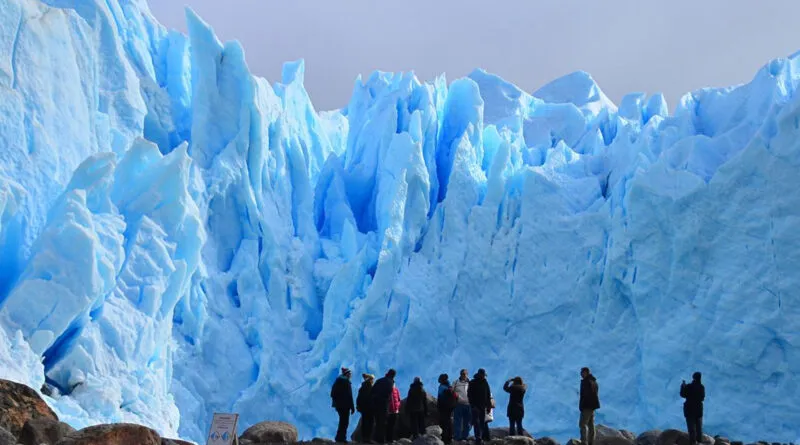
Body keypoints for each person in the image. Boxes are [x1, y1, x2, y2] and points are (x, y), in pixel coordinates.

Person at [371, 369, 396, 443]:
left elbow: (372, 391)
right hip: (384, 405)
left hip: (376, 404)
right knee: (383, 422)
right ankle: (381, 440)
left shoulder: (379, 380)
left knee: (378, 422)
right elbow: (388, 394)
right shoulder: (390, 382)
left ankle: (376, 438)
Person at [467, 368, 492, 445]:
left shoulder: (485, 382)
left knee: (481, 423)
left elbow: (488, 395)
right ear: (480, 375)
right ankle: (478, 438)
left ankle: (480, 438)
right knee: (476, 422)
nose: (484, 376)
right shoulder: (473, 382)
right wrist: (472, 405)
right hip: (475, 406)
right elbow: (469, 395)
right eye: (483, 375)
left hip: (482, 406)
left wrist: (488, 407)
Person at [331, 368, 356, 443]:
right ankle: (342, 438)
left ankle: (339, 437)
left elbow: (332, 393)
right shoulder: (346, 382)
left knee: (342, 421)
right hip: (345, 406)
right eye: (350, 374)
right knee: (345, 422)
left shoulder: (338, 381)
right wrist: (352, 407)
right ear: (346, 374)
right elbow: (349, 395)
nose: (351, 375)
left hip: (339, 406)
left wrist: (338, 402)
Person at [680, 372, 706, 445]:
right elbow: (702, 398)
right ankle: (699, 442)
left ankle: (693, 443)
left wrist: (683, 386)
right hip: (698, 410)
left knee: (691, 429)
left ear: (693, 377)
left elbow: (683, 394)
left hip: (689, 410)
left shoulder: (689, 386)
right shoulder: (701, 387)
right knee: (699, 428)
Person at [579, 367, 600, 445]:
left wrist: (583, 406)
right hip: (592, 406)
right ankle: (591, 442)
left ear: (586, 372)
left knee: (582, 424)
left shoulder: (587, 382)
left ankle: (584, 442)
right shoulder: (594, 381)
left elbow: (586, 395)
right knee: (591, 424)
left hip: (587, 407)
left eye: (582, 372)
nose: (581, 374)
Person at [437, 374, 457, 445]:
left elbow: (439, 398)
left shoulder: (441, 387)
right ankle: (450, 437)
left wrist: (438, 407)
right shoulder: (450, 386)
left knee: (444, 422)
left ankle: (445, 439)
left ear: (442, 379)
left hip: (443, 407)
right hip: (451, 407)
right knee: (449, 421)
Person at [453, 369, 471, 442]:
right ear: (460, 374)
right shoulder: (456, 382)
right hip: (459, 404)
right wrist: (455, 396)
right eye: (462, 374)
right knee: (457, 422)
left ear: (467, 374)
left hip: (468, 404)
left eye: (465, 374)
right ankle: (457, 437)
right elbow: (452, 391)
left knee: (467, 422)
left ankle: (465, 437)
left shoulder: (470, 382)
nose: (464, 375)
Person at [357, 374, 375, 443]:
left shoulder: (362, 387)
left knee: (364, 423)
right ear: (370, 380)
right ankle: (368, 438)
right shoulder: (370, 388)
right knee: (370, 423)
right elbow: (372, 399)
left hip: (363, 409)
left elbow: (359, 398)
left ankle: (363, 438)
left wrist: (359, 407)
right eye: (372, 379)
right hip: (370, 409)